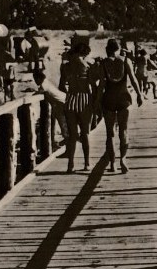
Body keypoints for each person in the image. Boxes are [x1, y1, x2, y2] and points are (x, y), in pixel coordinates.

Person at [97, 39, 143, 173]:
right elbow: (133, 79)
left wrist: (96, 102)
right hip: (124, 99)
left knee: (110, 134)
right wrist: (139, 94)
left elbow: (101, 85)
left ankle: (112, 164)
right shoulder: (125, 61)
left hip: (109, 100)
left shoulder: (103, 64)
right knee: (124, 131)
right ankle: (123, 159)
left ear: (107, 49)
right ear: (118, 49)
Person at [59, 42, 94, 173]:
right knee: (85, 134)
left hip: (70, 100)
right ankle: (87, 163)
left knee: (72, 135)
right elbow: (93, 86)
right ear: (84, 54)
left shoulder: (65, 67)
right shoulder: (88, 66)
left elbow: (61, 86)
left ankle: (71, 165)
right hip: (84, 100)